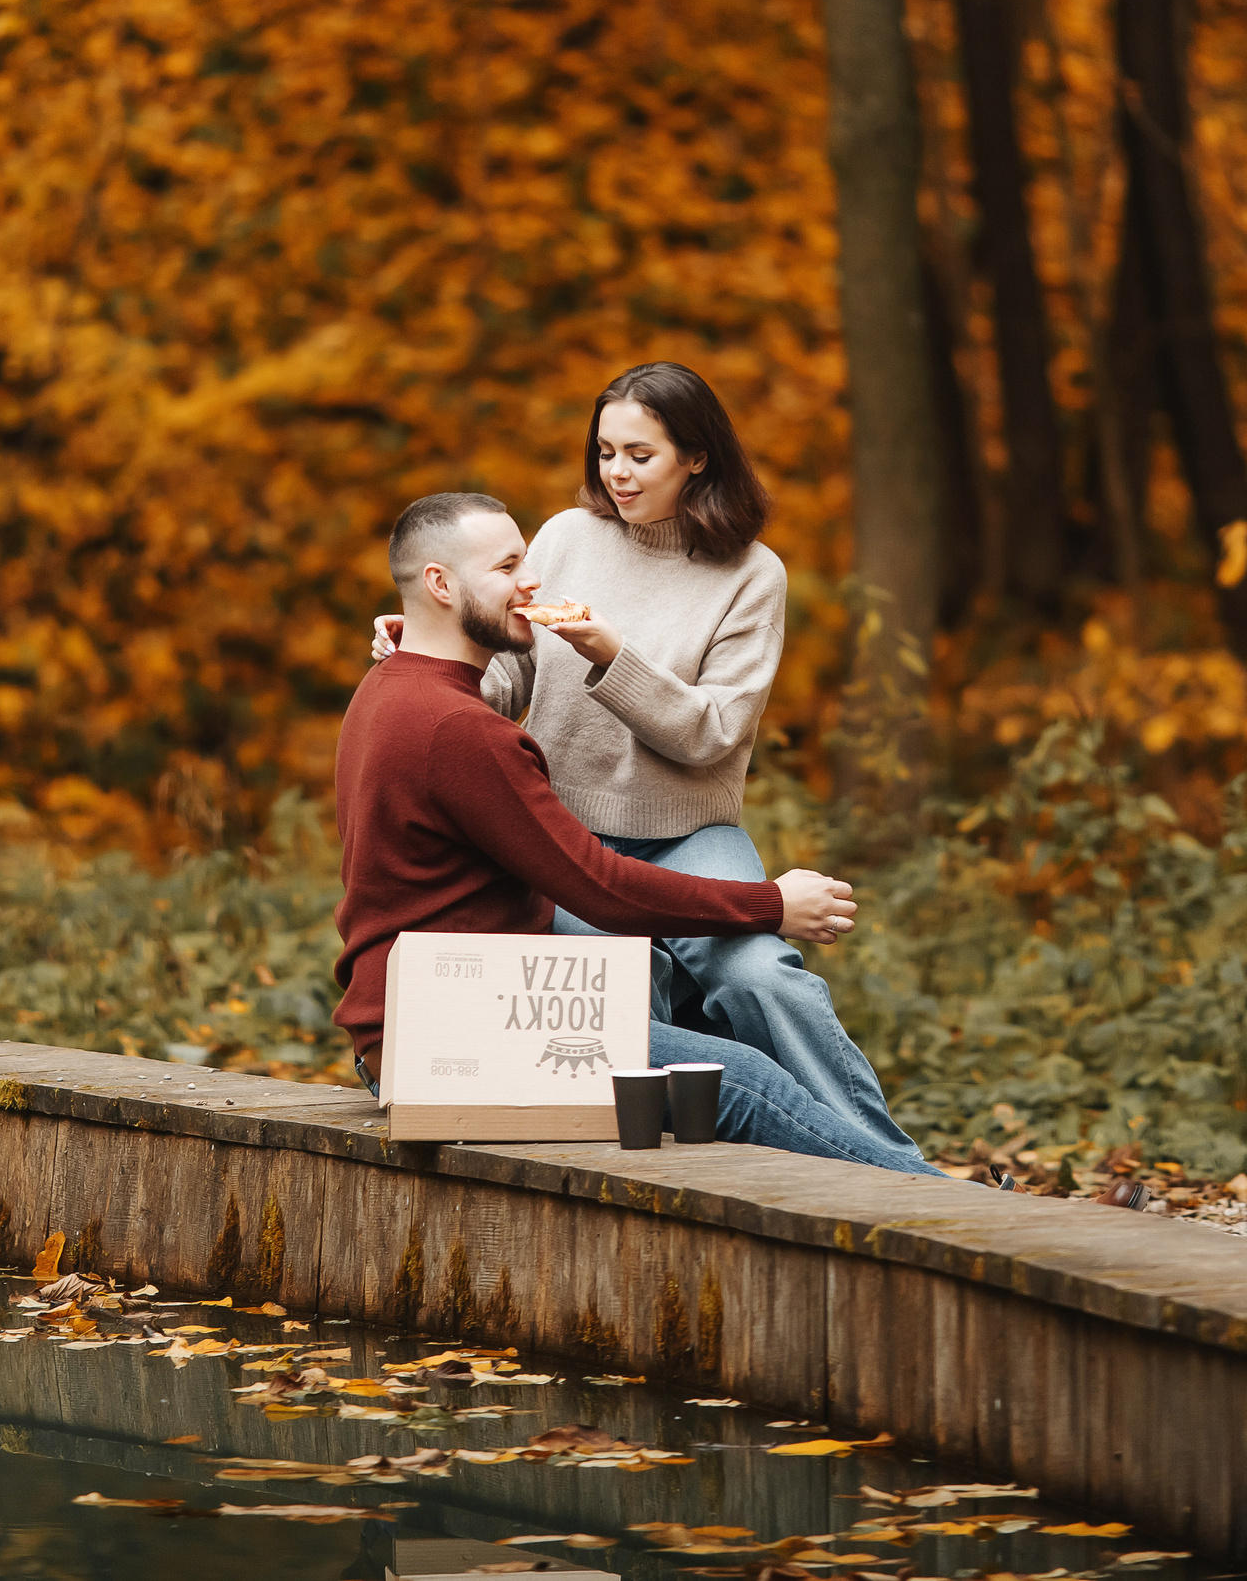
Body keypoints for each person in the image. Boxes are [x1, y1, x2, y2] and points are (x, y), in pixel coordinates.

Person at [370, 363, 936, 1173]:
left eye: (640, 454)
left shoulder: (751, 573)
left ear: (696, 456)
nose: (617, 474)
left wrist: (614, 656)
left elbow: (713, 732)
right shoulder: (566, 538)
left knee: (763, 980)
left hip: (689, 830)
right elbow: (505, 683)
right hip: (565, 833)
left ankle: (888, 1167)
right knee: (619, 1003)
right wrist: (420, 654)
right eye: (605, 453)